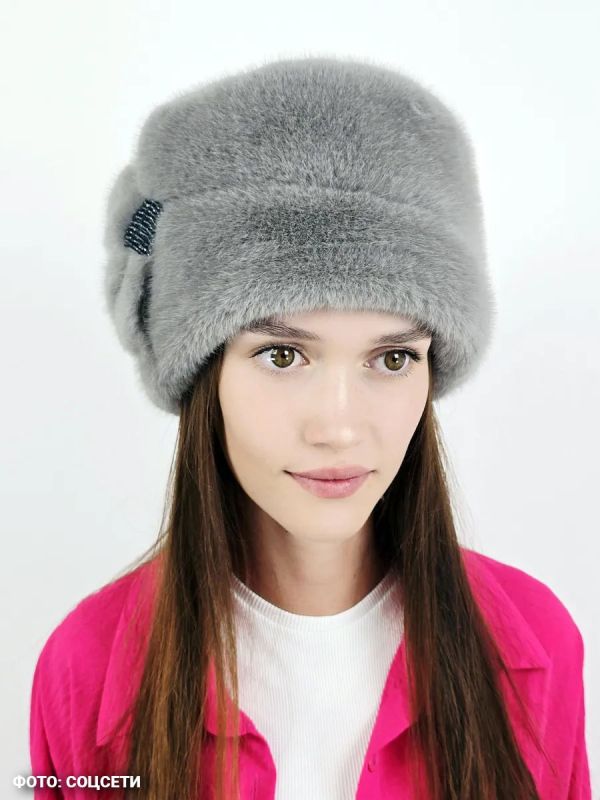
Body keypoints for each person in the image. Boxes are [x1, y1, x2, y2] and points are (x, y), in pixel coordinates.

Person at [29, 56, 591, 800]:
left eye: (392, 358)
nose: (339, 427)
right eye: (283, 355)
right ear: (206, 376)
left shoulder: (533, 644)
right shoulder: (90, 666)